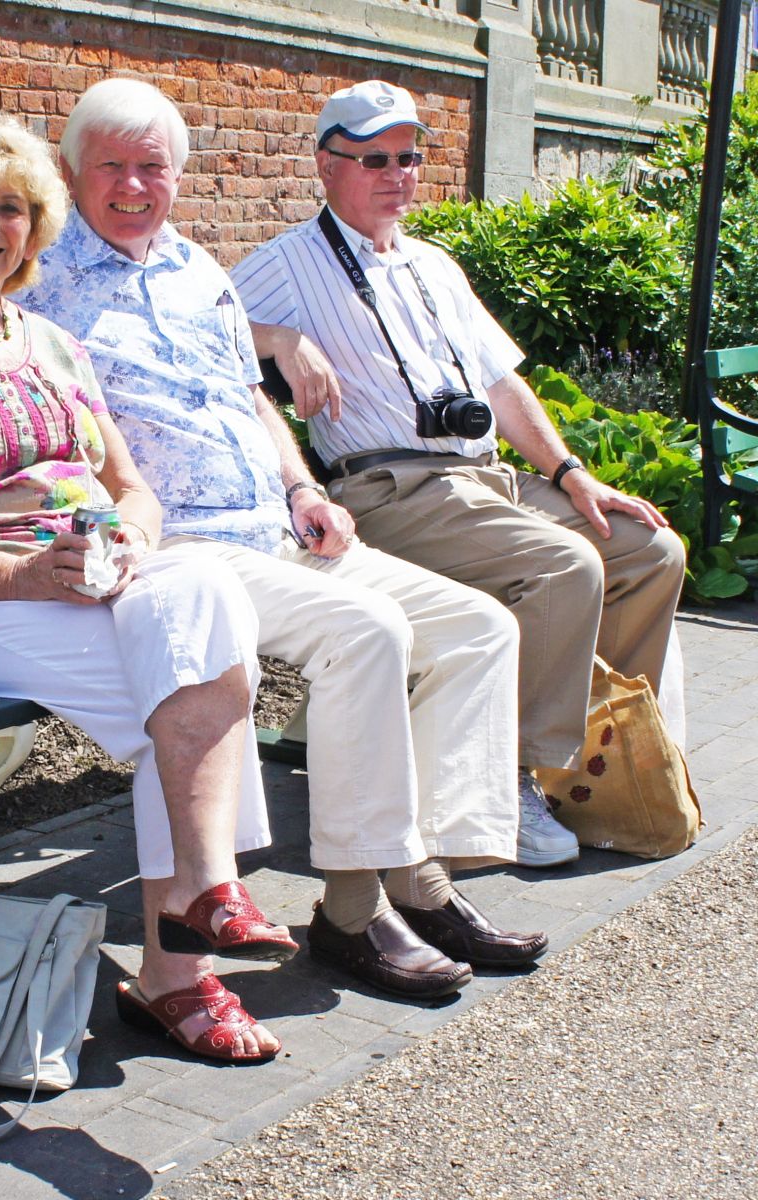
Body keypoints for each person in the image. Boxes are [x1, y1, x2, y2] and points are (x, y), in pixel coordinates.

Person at [0, 78, 548, 1007]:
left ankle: (402, 880)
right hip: (82, 569)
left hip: (202, 544)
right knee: (237, 674)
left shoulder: (120, 307)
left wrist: (290, 486)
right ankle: (263, 932)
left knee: (471, 629)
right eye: (113, 168)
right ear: (63, 181)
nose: (135, 187)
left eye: (155, 168)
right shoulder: (25, 287)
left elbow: (202, 423)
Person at [0, 106, 303, 1064]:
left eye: (11, 208)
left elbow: (131, 486)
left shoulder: (53, 347)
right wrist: (26, 574)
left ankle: (201, 901)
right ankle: (183, 964)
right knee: (191, 687)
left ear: (36, 229)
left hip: (86, 584)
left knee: (201, 596)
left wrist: (123, 537)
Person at [232, 79, 687, 868]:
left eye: (409, 157)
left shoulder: (434, 264)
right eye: (374, 157)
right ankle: (507, 780)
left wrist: (572, 471)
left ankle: (592, 760)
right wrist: (276, 336)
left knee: (651, 550)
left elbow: (502, 386)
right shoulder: (287, 262)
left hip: (484, 482)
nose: (397, 173)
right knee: (561, 567)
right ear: (326, 164)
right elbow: (204, 328)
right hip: (387, 489)